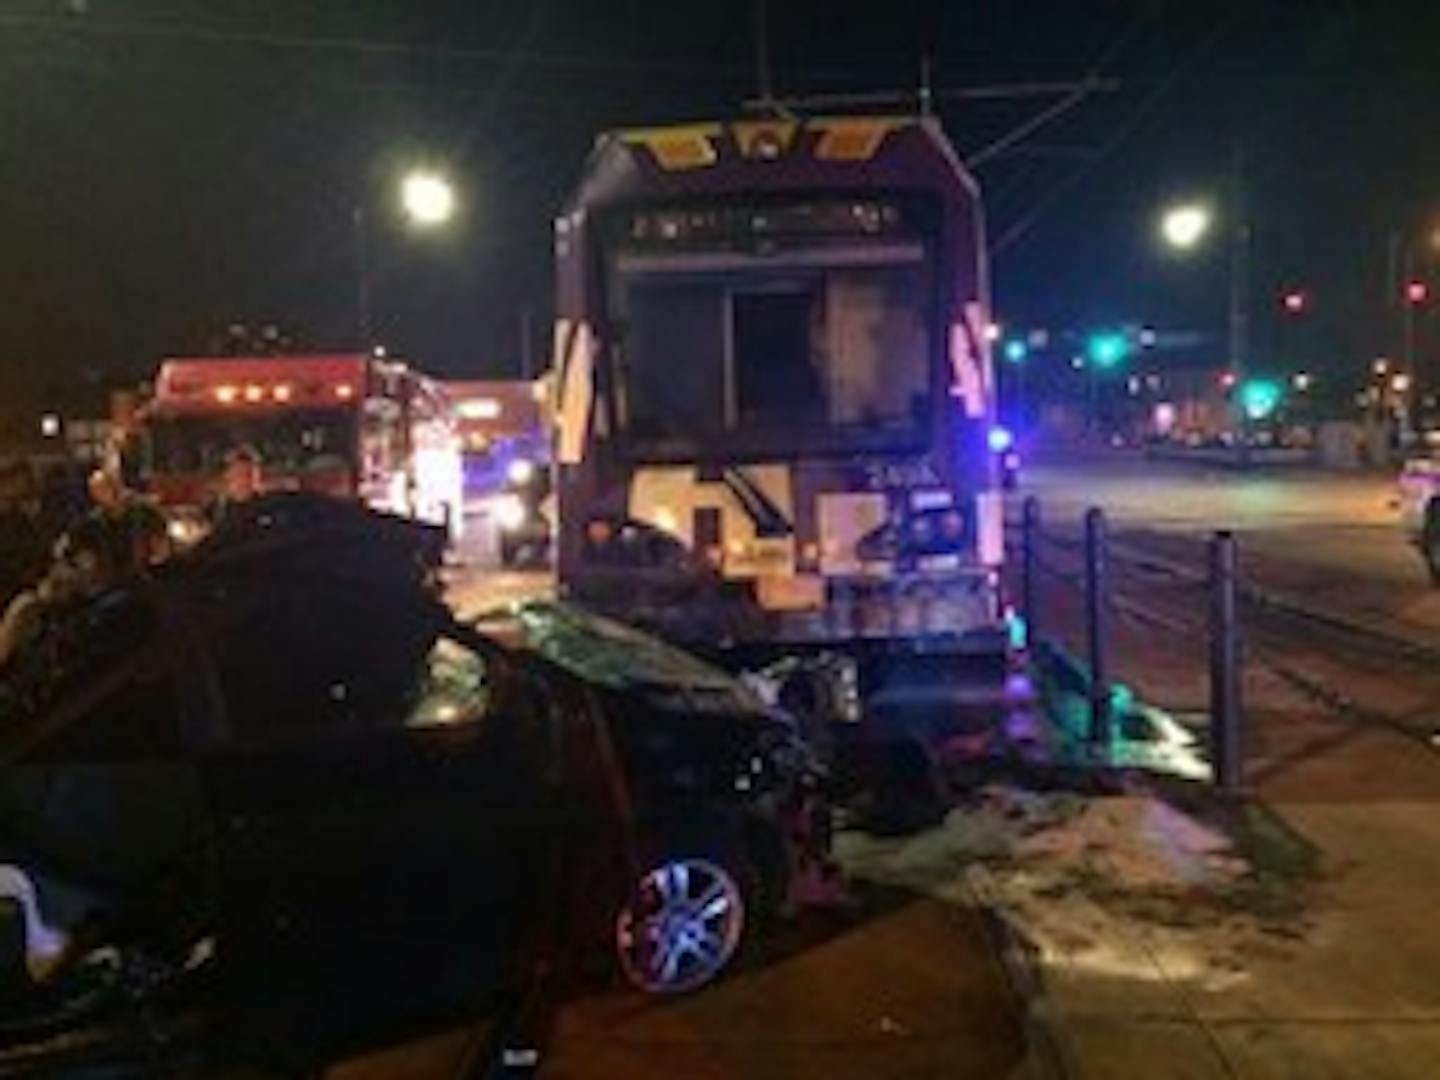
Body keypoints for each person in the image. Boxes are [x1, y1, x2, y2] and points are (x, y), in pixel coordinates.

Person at [77, 468, 169, 581]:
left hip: (144, 573)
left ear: (114, 487)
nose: (97, 495)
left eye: (101, 489)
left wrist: (157, 553)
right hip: (113, 577)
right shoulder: (97, 520)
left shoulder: (141, 508)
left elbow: (160, 530)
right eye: (94, 491)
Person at [205, 445, 264, 530]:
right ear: (228, 476)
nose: (244, 481)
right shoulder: (215, 509)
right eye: (239, 474)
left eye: (249, 475)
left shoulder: (268, 507)